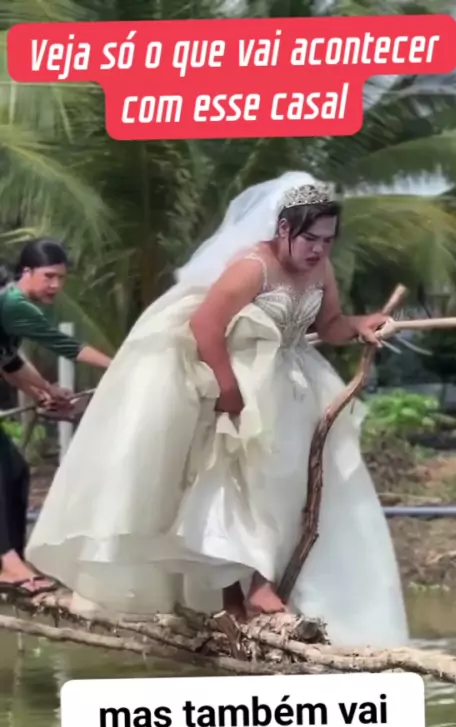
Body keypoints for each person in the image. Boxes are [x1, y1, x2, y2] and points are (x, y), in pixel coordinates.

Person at [26, 174, 408, 646]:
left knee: (292, 485)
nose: (318, 249)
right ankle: (241, 594)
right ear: (284, 229)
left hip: (296, 382)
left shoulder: (319, 269)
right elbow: (205, 325)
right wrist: (228, 388)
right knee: (237, 478)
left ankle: (267, 586)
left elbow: (329, 325)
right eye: (310, 238)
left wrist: (361, 324)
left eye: (328, 241)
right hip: (243, 377)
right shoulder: (252, 267)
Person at [0, 237, 112, 597]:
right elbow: (67, 347)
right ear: (27, 272)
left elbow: (9, 363)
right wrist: (120, 365)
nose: (56, 285)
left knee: (16, 471)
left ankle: (11, 562)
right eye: (48, 276)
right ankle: (8, 564)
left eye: (61, 278)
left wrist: (44, 390)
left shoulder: (9, 304)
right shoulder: (14, 305)